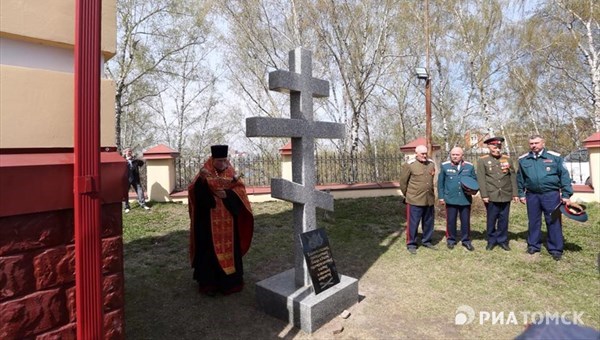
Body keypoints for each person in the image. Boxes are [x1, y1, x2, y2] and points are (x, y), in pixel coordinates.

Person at [188, 145, 254, 295]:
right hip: (208, 222)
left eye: (225, 160)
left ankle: (230, 283)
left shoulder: (230, 172)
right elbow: (194, 192)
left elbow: (240, 191)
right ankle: (210, 284)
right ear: (213, 160)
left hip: (229, 221)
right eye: (220, 160)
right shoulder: (204, 173)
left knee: (230, 248)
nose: (223, 163)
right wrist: (206, 189)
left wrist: (228, 195)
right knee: (208, 252)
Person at [517, 135, 573, 261]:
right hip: (532, 195)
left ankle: (555, 248)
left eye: (536, 143)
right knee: (533, 221)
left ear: (543, 143)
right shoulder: (524, 160)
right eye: (531, 143)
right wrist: (521, 193)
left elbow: (564, 176)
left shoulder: (555, 158)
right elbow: (520, 178)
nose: (534, 145)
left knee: (553, 221)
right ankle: (533, 245)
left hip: (551, 194)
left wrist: (566, 194)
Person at [476, 137, 519, 251]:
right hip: (491, 195)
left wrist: (515, 193)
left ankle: (502, 240)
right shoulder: (483, 160)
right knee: (492, 219)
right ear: (489, 147)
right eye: (494, 146)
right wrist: (484, 195)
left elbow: (513, 177)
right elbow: (481, 179)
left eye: (499, 146)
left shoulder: (507, 159)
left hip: (505, 193)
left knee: (504, 219)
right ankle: (491, 240)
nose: (497, 148)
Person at [438, 147, 477, 251]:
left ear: (462, 155)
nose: (455, 156)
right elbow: (440, 183)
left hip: (465, 199)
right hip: (451, 198)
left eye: (457, 155)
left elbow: (474, 181)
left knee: (465, 221)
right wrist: (441, 197)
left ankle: (466, 241)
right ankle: (451, 240)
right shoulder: (445, 166)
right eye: (453, 154)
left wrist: (474, 191)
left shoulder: (469, 166)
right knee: (451, 221)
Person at [399, 145, 436, 254]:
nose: (424, 155)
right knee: (413, 223)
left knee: (428, 222)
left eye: (425, 153)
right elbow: (403, 183)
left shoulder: (431, 164)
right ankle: (411, 243)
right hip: (414, 199)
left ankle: (427, 240)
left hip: (428, 199)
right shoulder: (409, 165)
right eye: (422, 154)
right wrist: (408, 195)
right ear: (416, 153)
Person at [123, 148, 150, 213]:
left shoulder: (135, 160)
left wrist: (135, 159)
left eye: (130, 151)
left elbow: (142, 163)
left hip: (136, 179)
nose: (130, 152)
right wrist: (126, 160)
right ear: (125, 152)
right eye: (128, 151)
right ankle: (126, 207)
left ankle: (143, 204)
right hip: (126, 179)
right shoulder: (123, 160)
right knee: (125, 193)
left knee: (140, 191)